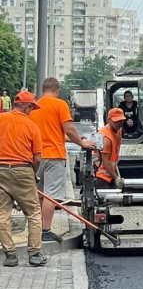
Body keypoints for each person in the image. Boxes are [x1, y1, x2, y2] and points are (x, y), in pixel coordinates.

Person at [30, 78, 96, 242]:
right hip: (54, 156)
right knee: (50, 196)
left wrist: (70, 139)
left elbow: (49, 133)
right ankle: (45, 231)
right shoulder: (59, 104)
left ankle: (36, 229)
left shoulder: (34, 107)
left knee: (38, 195)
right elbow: (69, 128)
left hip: (36, 157)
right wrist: (81, 142)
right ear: (56, 90)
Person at [0, 91, 48, 267]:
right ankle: (34, 254)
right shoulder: (32, 126)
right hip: (22, 170)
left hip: (1, 171)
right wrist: (32, 175)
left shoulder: (1, 119)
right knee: (34, 212)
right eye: (32, 107)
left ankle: (10, 255)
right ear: (27, 106)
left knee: (2, 215)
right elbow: (37, 158)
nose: (32, 110)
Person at [95, 108, 126, 188]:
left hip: (109, 175)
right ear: (109, 120)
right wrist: (116, 179)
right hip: (100, 176)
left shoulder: (118, 131)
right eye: (116, 121)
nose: (119, 123)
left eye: (121, 120)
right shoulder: (105, 138)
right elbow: (106, 162)